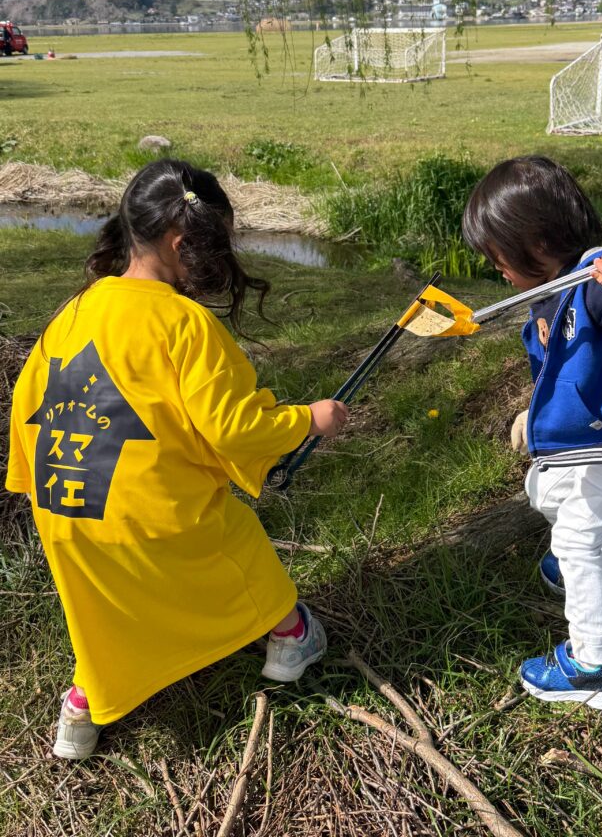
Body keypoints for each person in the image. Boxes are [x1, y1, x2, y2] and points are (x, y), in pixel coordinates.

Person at [5, 159, 349, 759]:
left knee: (99, 618)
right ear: (181, 241)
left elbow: (26, 404)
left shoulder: (76, 310)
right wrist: (308, 421)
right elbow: (235, 427)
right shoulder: (184, 323)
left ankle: (83, 706)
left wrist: (36, 488)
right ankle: (290, 636)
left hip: (66, 515)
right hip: (152, 519)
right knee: (236, 548)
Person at [462, 155, 602, 710]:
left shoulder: (597, 280)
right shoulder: (550, 293)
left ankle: (592, 667)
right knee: (542, 492)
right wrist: (529, 413)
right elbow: (557, 369)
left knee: (573, 538)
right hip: (590, 437)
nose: (498, 272)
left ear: (537, 242)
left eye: (499, 258)